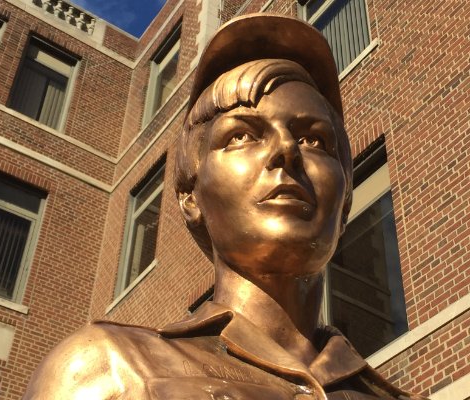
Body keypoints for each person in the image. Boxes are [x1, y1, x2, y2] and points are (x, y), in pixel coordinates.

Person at [24, 13, 421, 400]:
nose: (286, 151)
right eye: (242, 135)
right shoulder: (108, 369)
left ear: (346, 198)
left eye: (313, 140)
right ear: (190, 196)